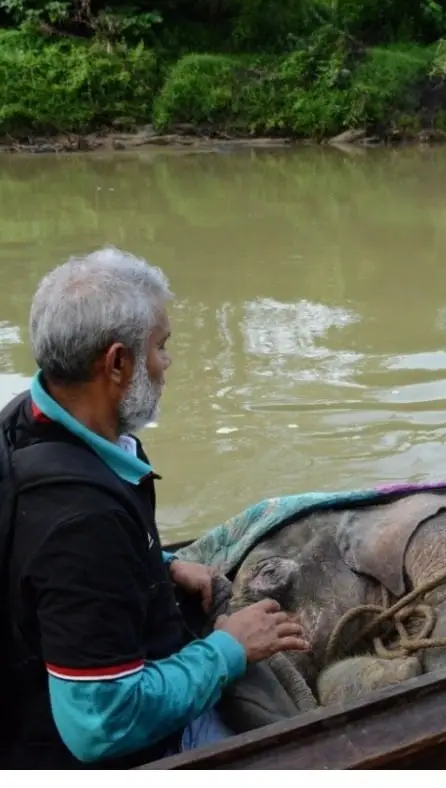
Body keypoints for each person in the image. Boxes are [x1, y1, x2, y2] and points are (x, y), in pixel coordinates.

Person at [1, 248, 309, 769]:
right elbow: (100, 726)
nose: (167, 364)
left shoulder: (22, 423)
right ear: (118, 362)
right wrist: (229, 648)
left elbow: (43, 572)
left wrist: (160, 566)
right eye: (161, 347)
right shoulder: (79, 521)